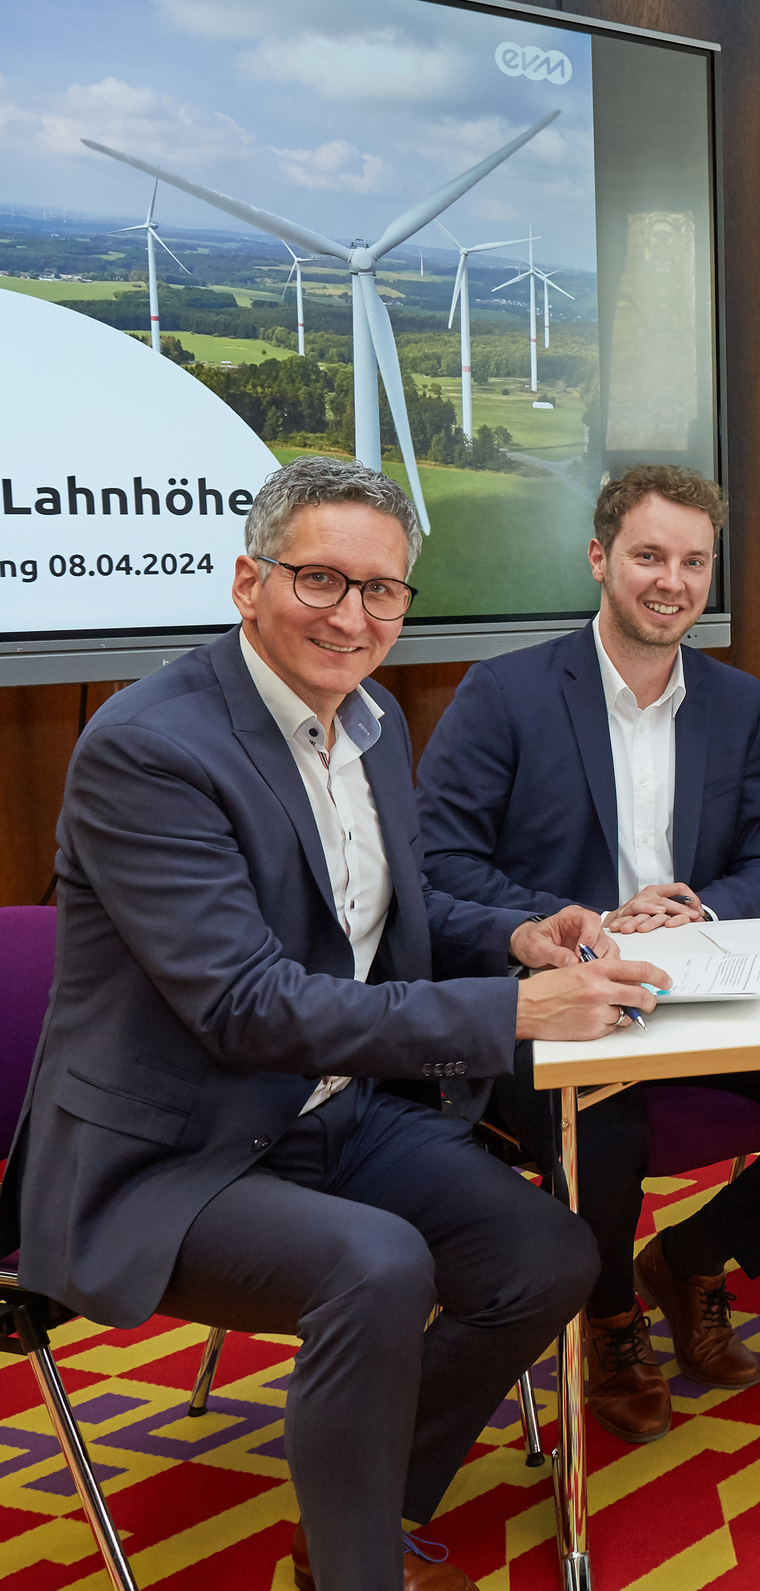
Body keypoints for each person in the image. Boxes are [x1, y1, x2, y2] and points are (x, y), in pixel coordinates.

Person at [0, 458, 663, 1591]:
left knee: (548, 1253)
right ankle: (356, 1571)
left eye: (383, 591)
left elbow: (387, 910)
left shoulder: (371, 721)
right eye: (320, 579)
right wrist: (511, 1011)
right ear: (247, 579)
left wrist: (517, 937)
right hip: (169, 1148)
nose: (354, 618)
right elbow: (246, 1002)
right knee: (376, 1263)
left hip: (330, 1108)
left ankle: (363, 1497)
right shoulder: (148, 746)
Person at [419, 465, 760, 1444]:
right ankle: (611, 1317)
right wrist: (590, 919)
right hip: (551, 992)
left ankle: (690, 1258)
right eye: (649, 555)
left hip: (699, 978)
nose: (671, 580)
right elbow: (437, 868)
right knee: (607, 1130)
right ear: (601, 559)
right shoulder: (503, 692)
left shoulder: (736, 701)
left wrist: (693, 915)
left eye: (693, 561)